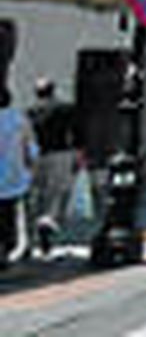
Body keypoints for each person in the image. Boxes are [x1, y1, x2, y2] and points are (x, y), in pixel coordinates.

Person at [27, 80, 76, 255]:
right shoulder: (65, 109)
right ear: (53, 91)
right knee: (55, 192)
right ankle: (48, 222)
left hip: (37, 155)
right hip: (60, 153)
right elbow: (76, 132)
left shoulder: (31, 111)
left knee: (35, 193)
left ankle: (32, 233)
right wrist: (78, 153)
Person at [0, 86, 38, 268]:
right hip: (14, 175)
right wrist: (31, 164)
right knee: (10, 214)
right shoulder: (19, 119)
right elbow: (30, 147)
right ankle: (7, 248)